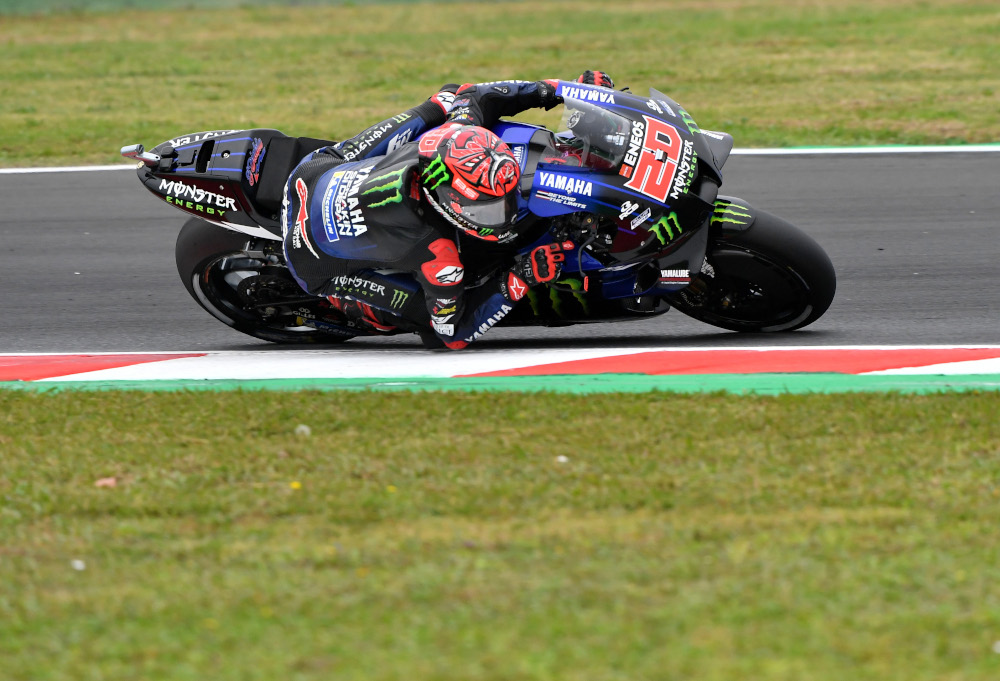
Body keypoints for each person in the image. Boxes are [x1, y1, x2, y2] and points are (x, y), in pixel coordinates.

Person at [282, 70, 615, 349]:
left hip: (314, 172)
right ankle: (356, 309)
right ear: (447, 202)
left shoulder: (455, 131)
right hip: (313, 260)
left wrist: (554, 91)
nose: (505, 214)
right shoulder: (439, 256)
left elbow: (475, 94)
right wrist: (520, 275)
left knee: (445, 99)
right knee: (418, 317)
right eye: (489, 208)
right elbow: (450, 334)